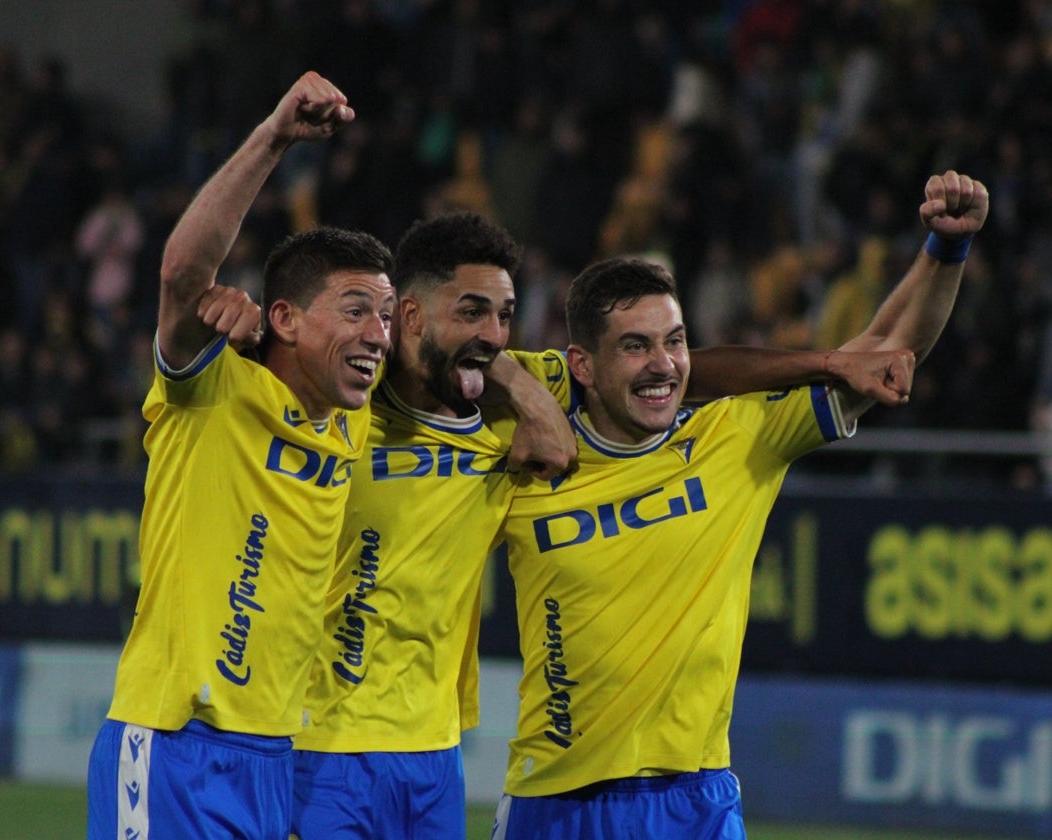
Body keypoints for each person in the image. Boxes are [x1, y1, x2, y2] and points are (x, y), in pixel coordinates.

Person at [286, 212, 925, 840]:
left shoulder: (510, 398)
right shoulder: (338, 404)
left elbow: (677, 369)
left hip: (436, 753)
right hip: (322, 740)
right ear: (412, 317)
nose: (494, 335)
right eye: (473, 312)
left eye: (504, 316)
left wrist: (832, 359)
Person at [490, 170, 988, 839]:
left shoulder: (737, 437)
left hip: (696, 800)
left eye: (673, 340)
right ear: (582, 365)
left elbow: (886, 352)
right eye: (635, 346)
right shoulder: (525, 462)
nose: (663, 364)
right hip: (558, 802)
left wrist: (945, 252)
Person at [86, 71, 396, 839]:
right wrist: (275, 138)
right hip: (174, 744)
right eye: (355, 311)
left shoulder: (349, 424)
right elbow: (182, 276)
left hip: (274, 756)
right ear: (285, 317)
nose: (378, 336)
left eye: (387, 317)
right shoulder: (211, 391)